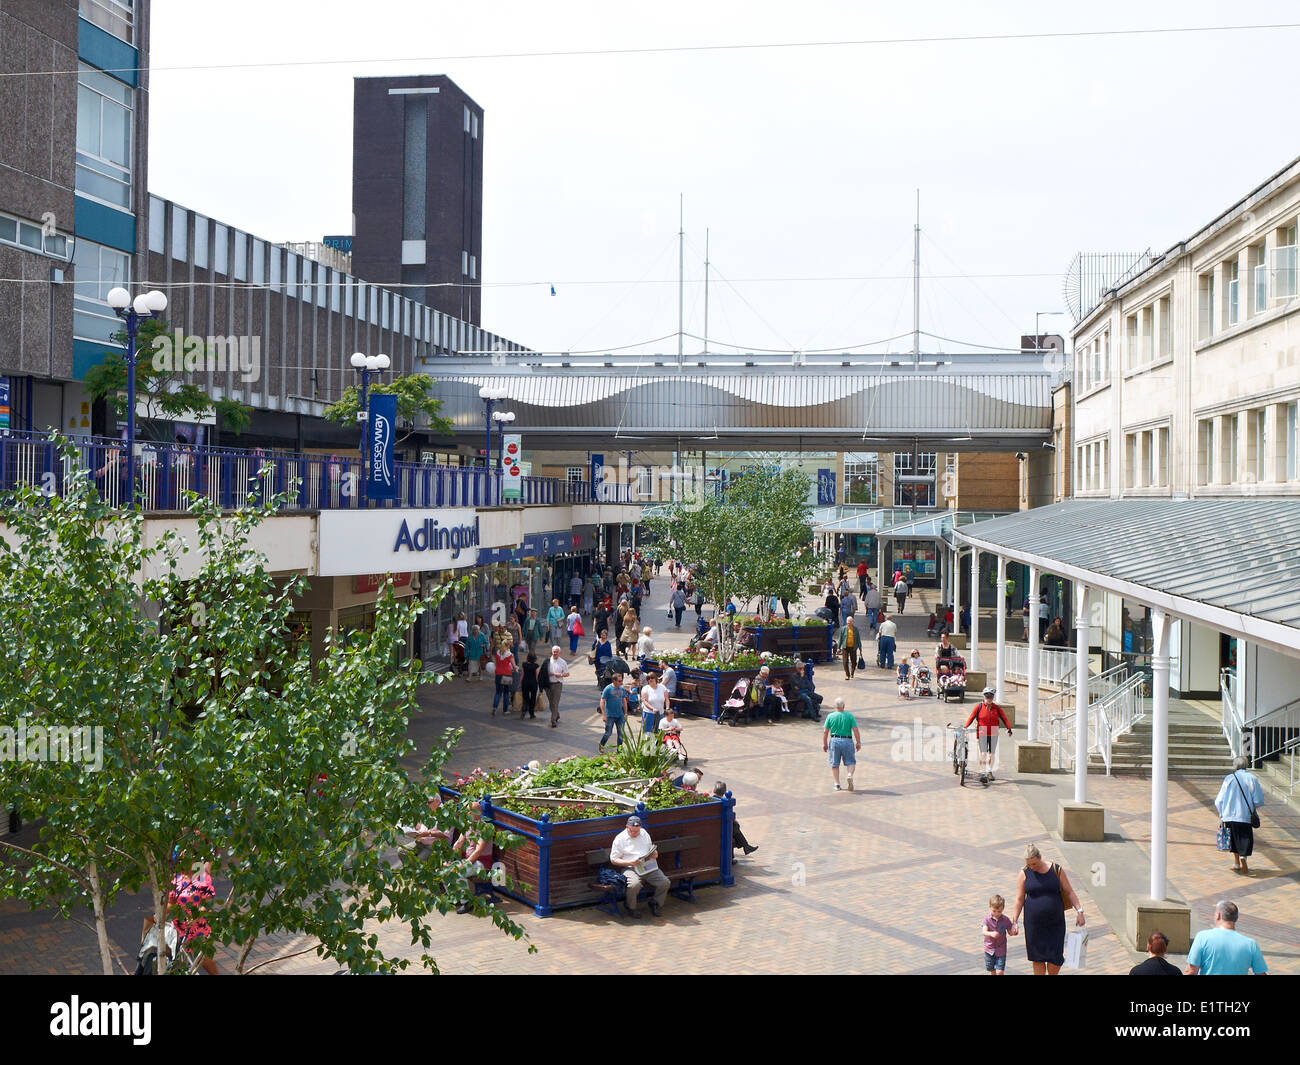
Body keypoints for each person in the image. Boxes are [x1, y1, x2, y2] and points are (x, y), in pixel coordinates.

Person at [1010, 843, 1085, 975]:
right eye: (1029, 864)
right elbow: (1019, 899)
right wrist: (1014, 920)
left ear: (1040, 857)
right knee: (1037, 958)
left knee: (1055, 958)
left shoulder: (1056, 870)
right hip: (1034, 925)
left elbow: (1069, 892)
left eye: (1034, 864)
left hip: (1055, 923)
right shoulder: (1024, 873)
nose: (1032, 867)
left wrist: (1079, 911)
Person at [608, 815, 669, 918]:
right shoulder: (620, 839)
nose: (635, 834)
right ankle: (630, 907)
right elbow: (613, 859)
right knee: (634, 885)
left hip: (647, 865)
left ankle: (655, 903)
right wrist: (630, 863)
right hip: (629, 867)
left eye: (637, 831)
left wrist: (654, 854)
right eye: (632, 831)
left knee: (665, 882)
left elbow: (651, 849)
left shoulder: (644, 833)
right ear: (627, 827)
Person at [1184, 901, 1268, 975]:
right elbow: (1261, 973)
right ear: (1236, 918)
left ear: (1218, 915)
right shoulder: (1250, 944)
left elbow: (1191, 971)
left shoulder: (1202, 937)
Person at [1214, 756, 1265, 874]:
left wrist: (1222, 813)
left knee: (1234, 839)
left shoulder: (1229, 778)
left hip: (1229, 815)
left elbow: (1218, 800)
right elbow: (1258, 800)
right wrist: (1252, 808)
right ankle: (1243, 856)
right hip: (1245, 815)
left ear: (1235, 766)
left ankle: (1236, 863)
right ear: (1246, 765)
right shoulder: (1252, 778)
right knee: (1244, 838)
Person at [964, 688, 1013, 785]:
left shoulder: (997, 708)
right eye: (987, 696)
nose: (989, 698)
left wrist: (1009, 728)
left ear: (993, 697)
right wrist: (965, 727)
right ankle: (982, 772)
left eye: (990, 697)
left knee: (992, 754)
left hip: (994, 731)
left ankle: (989, 771)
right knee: (983, 753)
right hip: (982, 731)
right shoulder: (979, 707)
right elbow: (971, 717)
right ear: (984, 697)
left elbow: (1004, 718)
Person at [451, 812, 494, 915]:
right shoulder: (468, 825)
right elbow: (459, 842)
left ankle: (467, 902)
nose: (467, 814)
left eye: (469, 812)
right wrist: (450, 859)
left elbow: (478, 851)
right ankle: (456, 897)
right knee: (447, 870)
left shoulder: (485, 828)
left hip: (482, 862)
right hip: (469, 860)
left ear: (477, 813)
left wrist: (463, 865)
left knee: (458, 872)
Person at [822, 697, 861, 791]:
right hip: (847, 741)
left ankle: (837, 784)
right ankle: (850, 775)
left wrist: (825, 744)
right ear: (844, 706)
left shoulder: (830, 716)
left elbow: (825, 732)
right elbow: (855, 730)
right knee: (851, 761)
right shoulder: (849, 716)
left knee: (835, 764)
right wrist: (858, 742)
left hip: (835, 740)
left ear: (835, 706)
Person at [712, 781, 758, 856]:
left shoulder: (711, 800)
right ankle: (745, 847)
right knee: (733, 829)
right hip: (721, 828)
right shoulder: (724, 802)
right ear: (724, 792)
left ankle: (745, 847)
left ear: (714, 790)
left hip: (715, 825)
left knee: (733, 828)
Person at [982, 894, 1017, 975]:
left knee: (1000, 971)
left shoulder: (1005, 920)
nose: (997, 913)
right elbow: (984, 931)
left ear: (1003, 909)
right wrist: (991, 934)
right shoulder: (987, 919)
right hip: (989, 949)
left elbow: (1010, 932)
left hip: (1001, 949)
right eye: (994, 911)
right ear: (990, 907)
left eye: (999, 911)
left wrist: (1014, 932)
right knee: (992, 970)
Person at [599, 670, 628, 751]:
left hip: (620, 715)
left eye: (622, 680)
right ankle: (601, 745)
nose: (621, 682)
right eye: (619, 681)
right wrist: (604, 714)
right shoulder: (608, 689)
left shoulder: (622, 689)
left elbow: (624, 701)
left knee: (621, 734)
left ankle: (619, 751)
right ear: (614, 681)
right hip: (610, 715)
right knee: (608, 733)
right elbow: (602, 701)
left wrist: (625, 713)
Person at [546, 646, 569, 727]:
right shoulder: (548, 661)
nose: (555, 653)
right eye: (554, 651)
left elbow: (567, 674)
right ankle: (556, 714)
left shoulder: (563, 662)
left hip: (557, 684)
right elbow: (543, 671)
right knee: (551, 703)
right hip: (548, 684)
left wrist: (561, 674)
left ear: (559, 653)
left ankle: (553, 720)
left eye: (556, 652)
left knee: (555, 703)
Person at [491, 643, 514, 715]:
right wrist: (516, 668)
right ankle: (505, 710)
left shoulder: (498, 652)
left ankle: (495, 707)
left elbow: (495, 661)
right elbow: (514, 665)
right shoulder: (509, 654)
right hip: (507, 674)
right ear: (507, 646)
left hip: (498, 673)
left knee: (498, 692)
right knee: (506, 693)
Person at [836, 614, 862, 680]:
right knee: (845, 661)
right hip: (845, 647)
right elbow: (840, 638)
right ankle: (847, 675)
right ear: (846, 622)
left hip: (853, 647)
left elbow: (858, 638)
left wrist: (860, 648)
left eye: (850, 622)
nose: (849, 623)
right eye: (848, 622)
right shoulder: (843, 629)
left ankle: (852, 673)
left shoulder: (855, 629)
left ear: (852, 622)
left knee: (854, 661)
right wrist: (838, 647)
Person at [520, 650, 540, 719]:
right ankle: (531, 713)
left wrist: (520, 682)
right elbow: (537, 676)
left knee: (525, 697)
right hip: (533, 683)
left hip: (525, 682)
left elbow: (522, 675)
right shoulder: (536, 666)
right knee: (533, 697)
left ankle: (524, 708)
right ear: (535, 658)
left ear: (527, 657)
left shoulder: (524, 664)